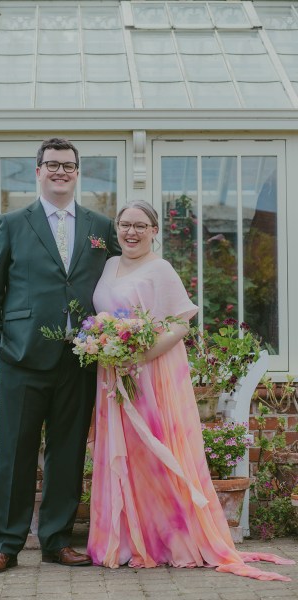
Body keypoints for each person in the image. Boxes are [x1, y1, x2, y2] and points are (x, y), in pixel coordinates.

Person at [87, 200, 293, 580]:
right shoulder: (109, 265)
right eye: (124, 225)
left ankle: (171, 539)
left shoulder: (160, 269)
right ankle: (131, 539)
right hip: (113, 374)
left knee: (156, 448)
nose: (131, 232)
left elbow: (180, 324)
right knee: (125, 452)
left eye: (140, 225)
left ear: (154, 231)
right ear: (116, 229)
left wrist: (139, 354)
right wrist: (103, 344)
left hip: (150, 372)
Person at [0, 138, 120, 573]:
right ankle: (6, 544)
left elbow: (114, 281)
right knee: (14, 453)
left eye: (69, 165)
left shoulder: (100, 225)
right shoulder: (13, 222)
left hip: (78, 359)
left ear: (79, 172)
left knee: (68, 451)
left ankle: (58, 540)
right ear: (38, 170)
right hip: (20, 358)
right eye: (52, 164)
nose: (61, 171)